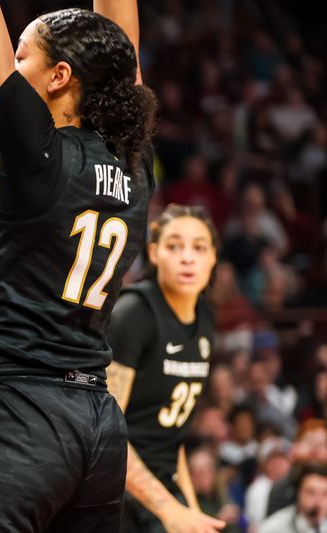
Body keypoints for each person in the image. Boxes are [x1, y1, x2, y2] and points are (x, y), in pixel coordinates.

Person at [0, 1, 157, 532]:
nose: (11, 65)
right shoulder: (136, 163)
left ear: (59, 77)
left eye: (20, 56)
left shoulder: (38, 155)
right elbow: (122, 60)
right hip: (95, 423)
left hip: (14, 410)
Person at [106, 205, 224, 533]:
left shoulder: (205, 319)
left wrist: (191, 510)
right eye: (174, 246)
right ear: (155, 254)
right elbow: (106, 433)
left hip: (164, 487)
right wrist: (170, 511)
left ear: (213, 257)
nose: (188, 258)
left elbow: (173, 440)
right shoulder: (133, 313)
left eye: (199, 248)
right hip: (116, 487)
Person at [259, 465, 327, 533]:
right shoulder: (273, 528)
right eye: (311, 493)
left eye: (324, 494)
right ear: (297, 493)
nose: (319, 500)